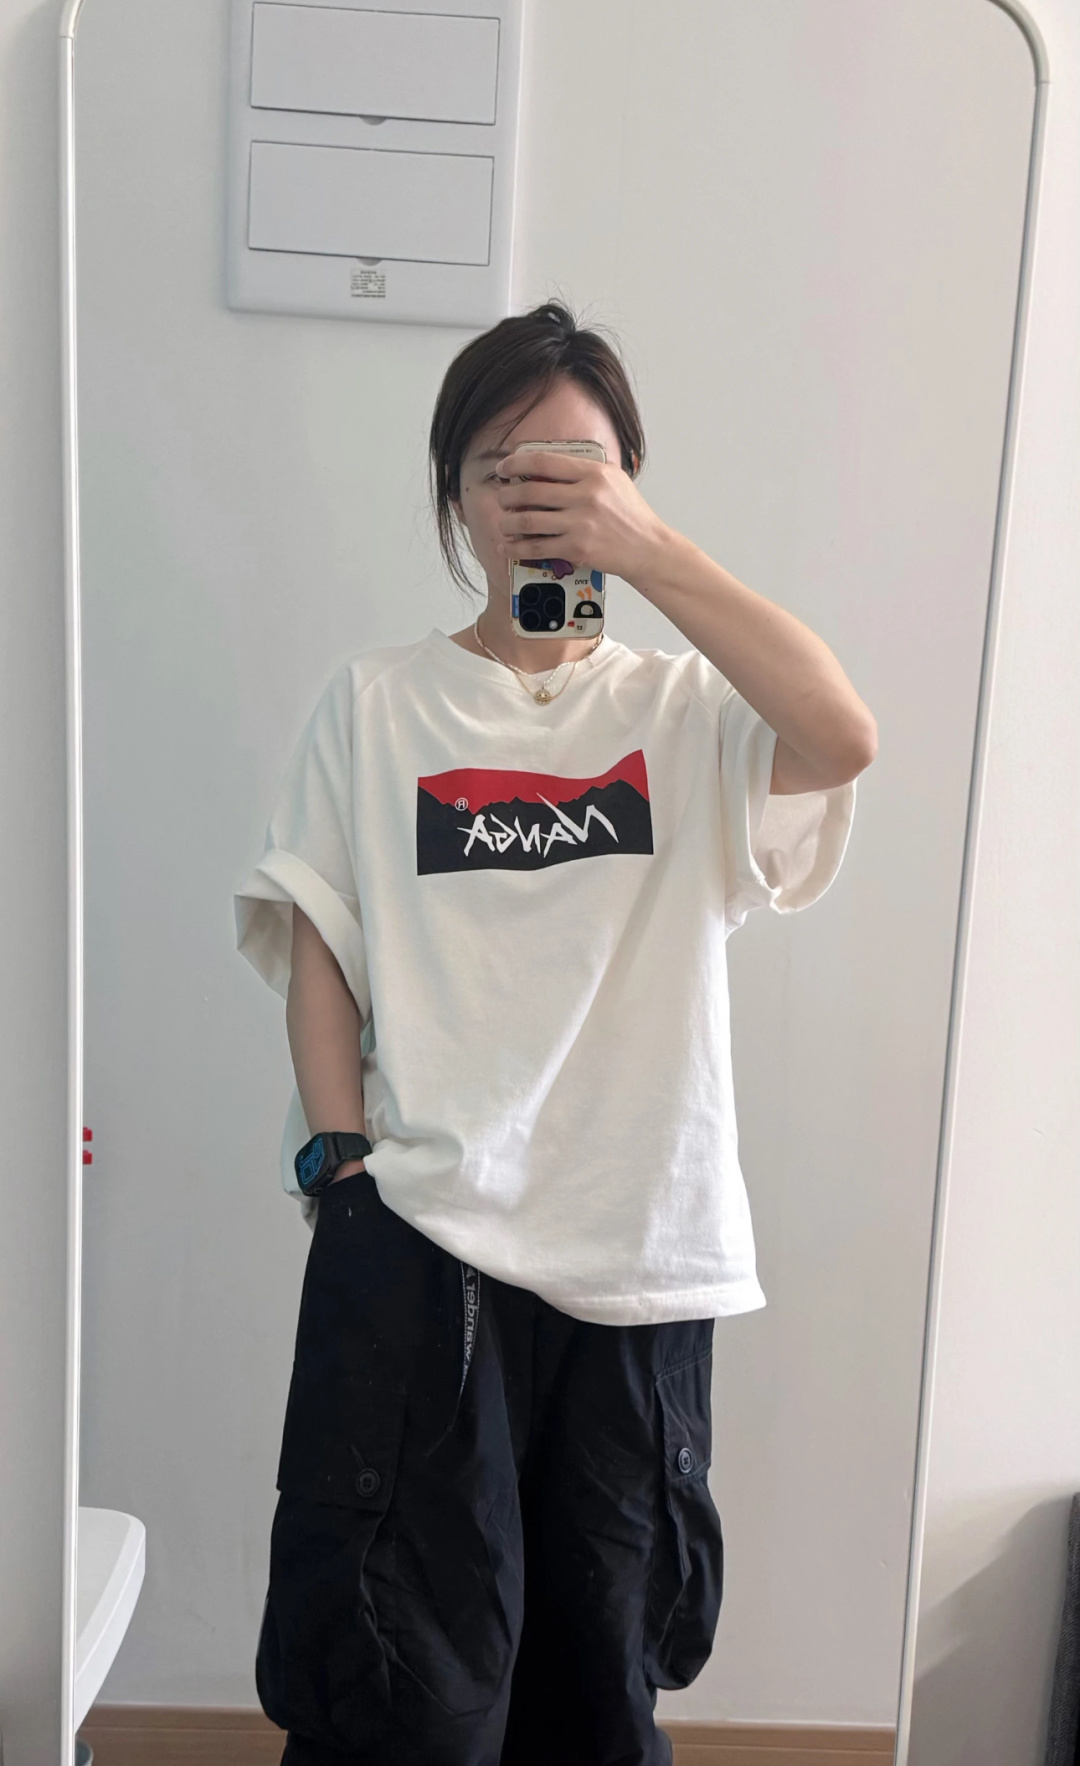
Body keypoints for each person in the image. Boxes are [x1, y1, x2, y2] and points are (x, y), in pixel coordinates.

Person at [234, 300, 875, 1766]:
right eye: (502, 471)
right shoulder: (378, 702)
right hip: (422, 1237)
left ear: (632, 484)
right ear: (453, 498)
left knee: (601, 1679)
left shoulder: (689, 708)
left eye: (578, 471)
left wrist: (653, 555)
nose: (541, 503)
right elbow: (321, 937)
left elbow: (844, 735)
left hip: (640, 1251)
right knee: (406, 1683)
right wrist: (341, 1165)